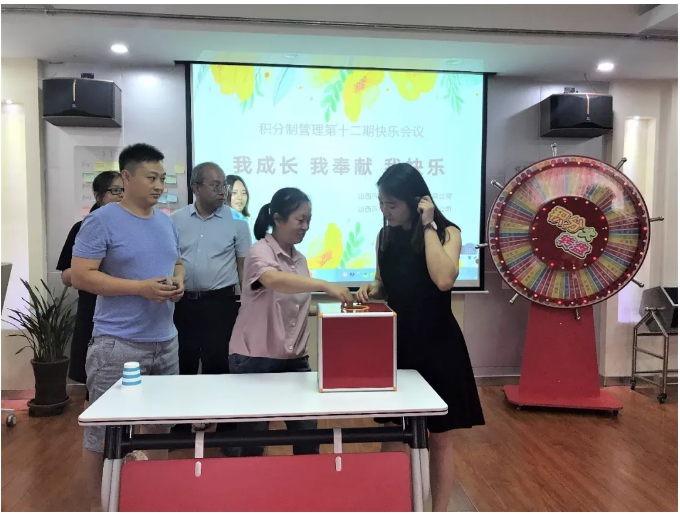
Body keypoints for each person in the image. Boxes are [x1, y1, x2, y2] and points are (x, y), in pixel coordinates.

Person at [356, 163, 485, 512]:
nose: (385, 211)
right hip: (398, 344)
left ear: (417, 201)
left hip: (439, 345)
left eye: (392, 204)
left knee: (440, 437)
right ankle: (393, 505)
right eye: (381, 203)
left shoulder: (448, 232)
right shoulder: (384, 236)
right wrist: (373, 288)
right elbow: (384, 283)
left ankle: (438, 510)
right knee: (392, 432)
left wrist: (428, 226)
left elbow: (443, 279)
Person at [71, 143, 184, 509]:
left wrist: (178, 282)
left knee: (160, 430)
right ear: (127, 176)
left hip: (165, 342)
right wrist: (140, 288)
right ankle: (95, 507)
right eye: (151, 178)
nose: (159, 186)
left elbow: (176, 262)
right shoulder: (101, 220)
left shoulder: (165, 221)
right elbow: (81, 275)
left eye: (162, 179)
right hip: (117, 344)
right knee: (102, 436)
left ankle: (154, 500)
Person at [228, 187, 354, 456]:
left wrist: (330, 311)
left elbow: (293, 302)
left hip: (295, 358)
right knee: (254, 441)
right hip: (256, 357)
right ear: (278, 218)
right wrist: (324, 284)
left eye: (309, 220)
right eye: (300, 219)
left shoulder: (300, 259)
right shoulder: (259, 251)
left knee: (307, 435)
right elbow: (273, 280)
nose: (306, 226)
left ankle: (305, 482)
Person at [170, 163, 250, 437]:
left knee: (219, 365)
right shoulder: (175, 220)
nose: (222, 191)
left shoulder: (238, 222)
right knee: (183, 362)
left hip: (220, 304)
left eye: (223, 185)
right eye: (215, 185)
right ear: (196, 187)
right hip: (182, 303)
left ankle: (225, 429)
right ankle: (180, 426)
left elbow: (243, 268)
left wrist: (247, 307)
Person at [56, 171, 123, 399]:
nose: (121, 196)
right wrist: (89, 273)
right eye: (115, 191)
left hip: (126, 312)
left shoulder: (134, 226)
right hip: (93, 311)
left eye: (124, 190)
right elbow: (66, 275)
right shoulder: (83, 227)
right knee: (95, 383)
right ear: (97, 195)